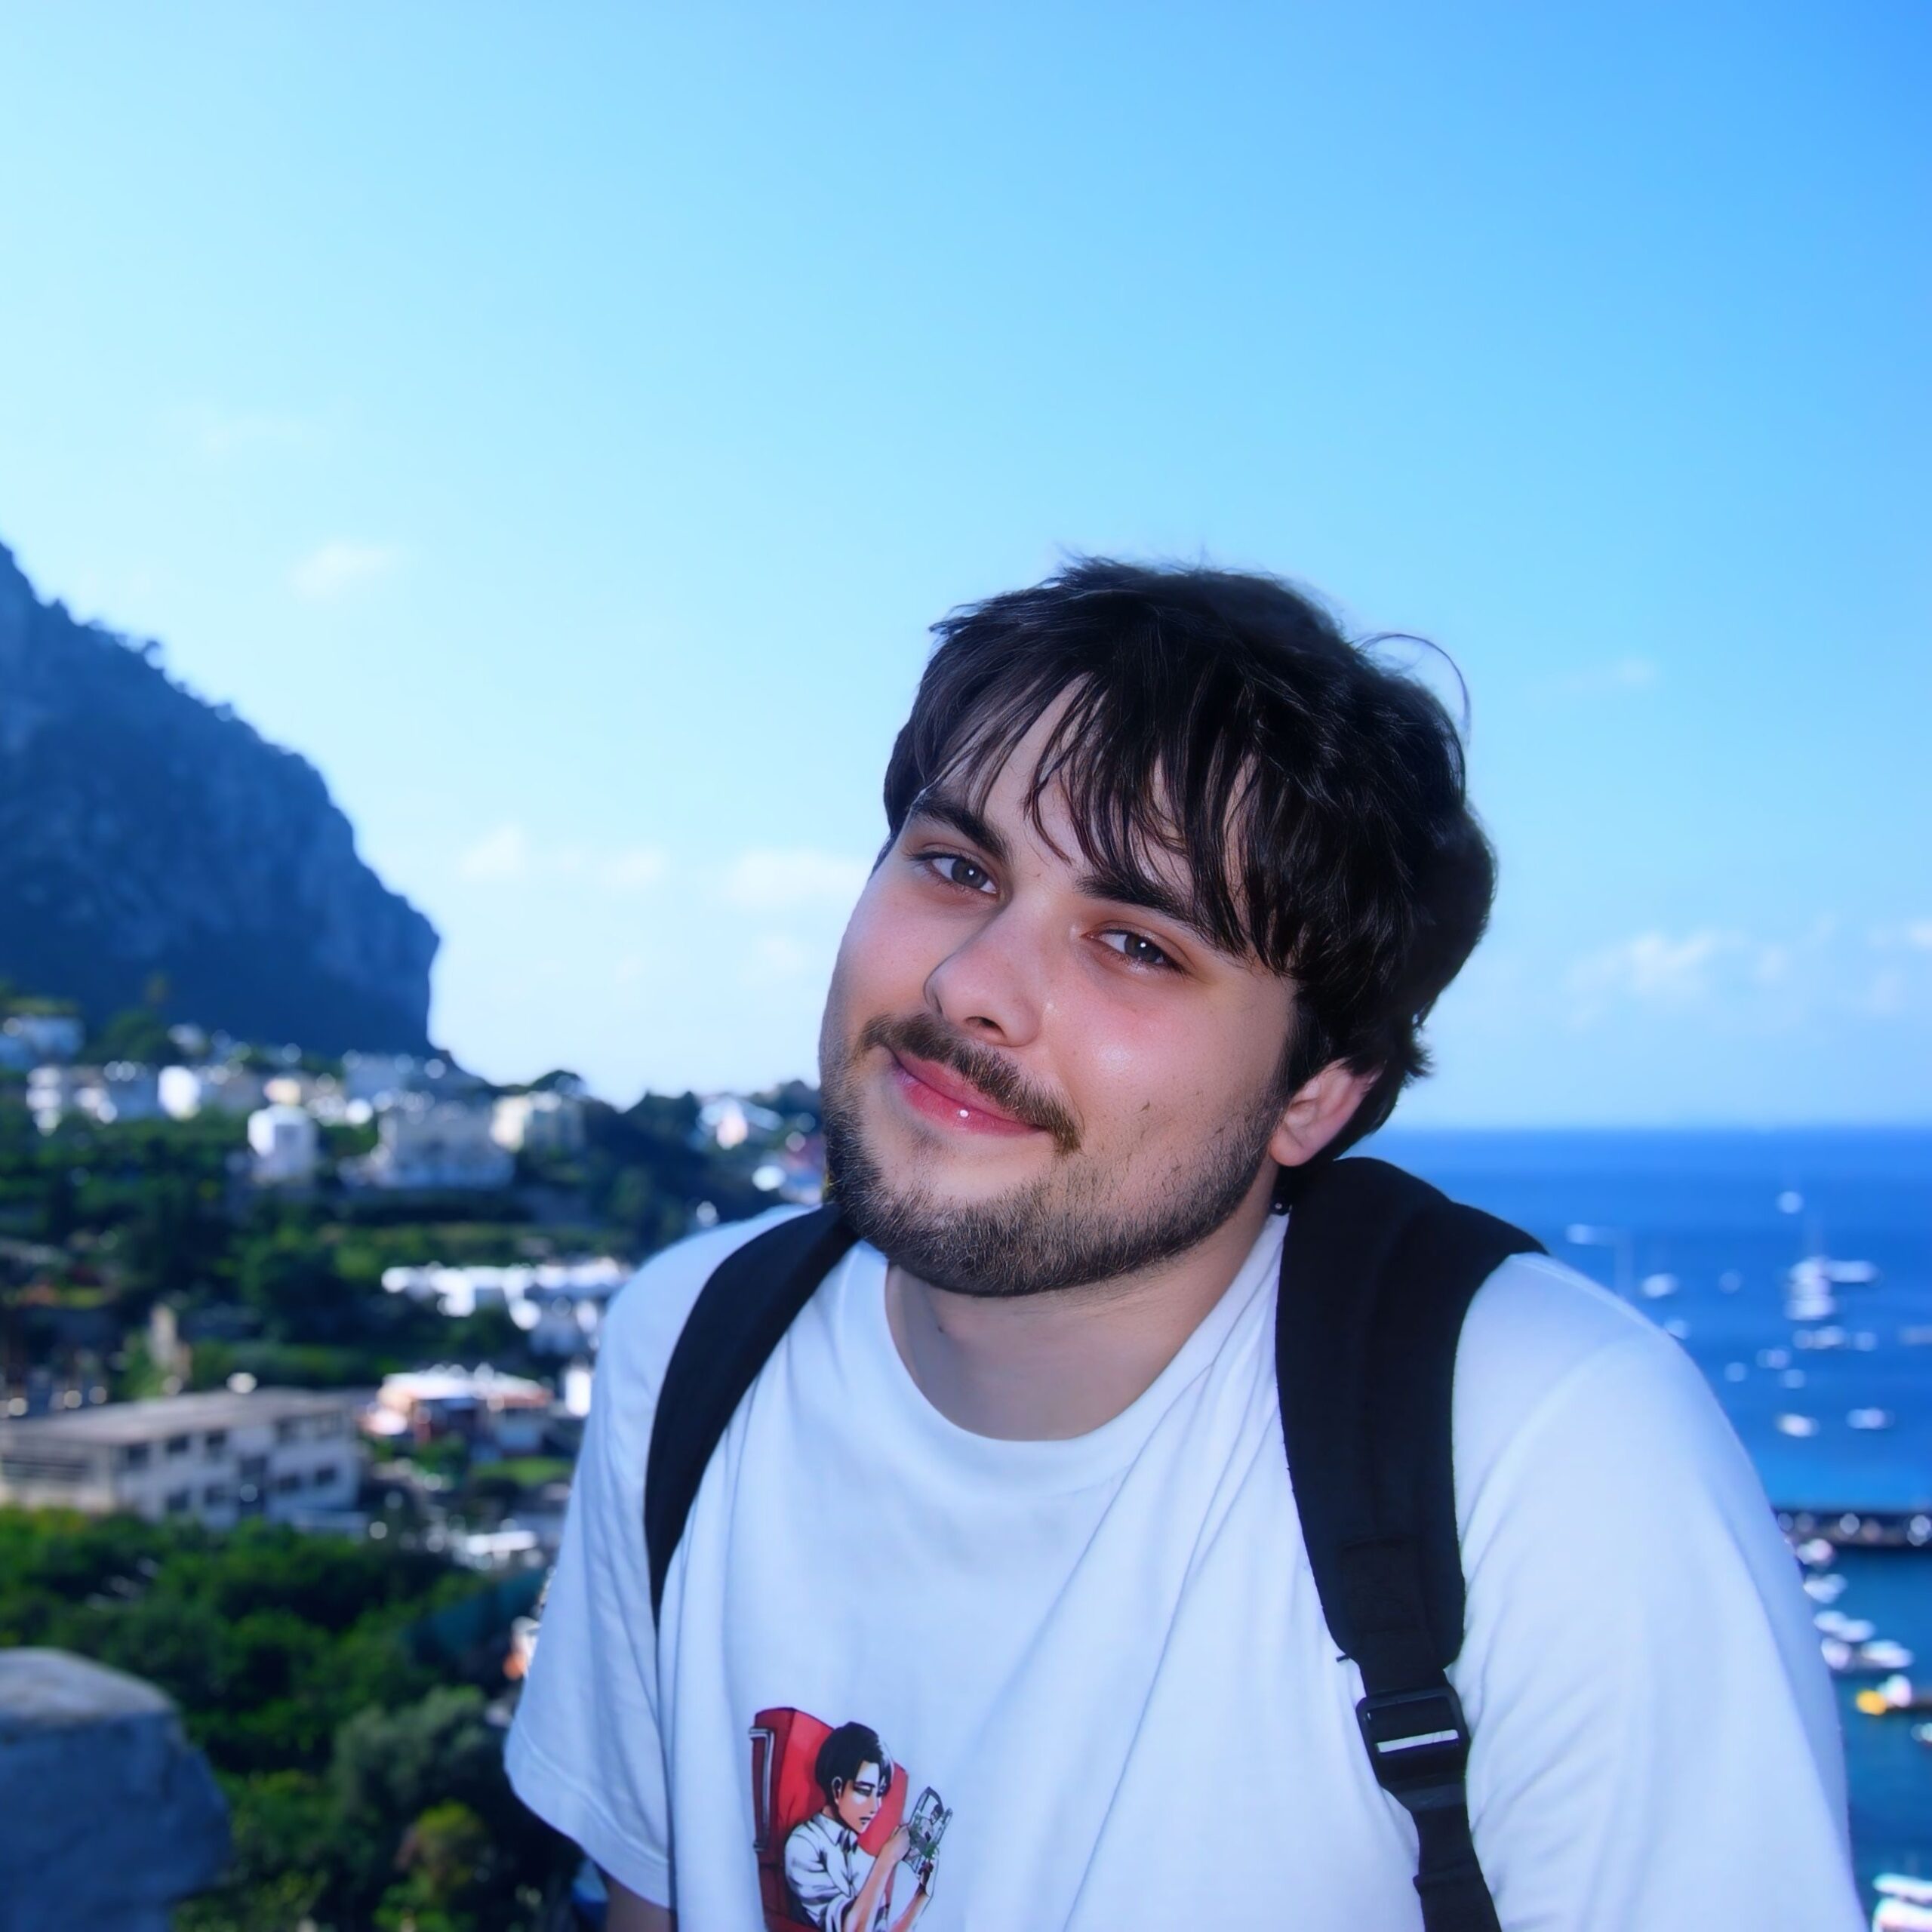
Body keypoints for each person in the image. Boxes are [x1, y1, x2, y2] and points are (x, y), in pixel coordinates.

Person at [507, 561, 1862, 1929]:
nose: (971, 984)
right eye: (957, 867)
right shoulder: (694, 1346)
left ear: (1314, 1094)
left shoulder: (1545, 1453)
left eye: (1138, 945)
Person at [781, 1724, 931, 1932]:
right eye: (864, 1791)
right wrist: (888, 1859)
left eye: (880, 1793)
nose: (875, 1806)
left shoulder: (863, 1862)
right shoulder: (803, 1846)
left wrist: (922, 1896)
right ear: (837, 1789)